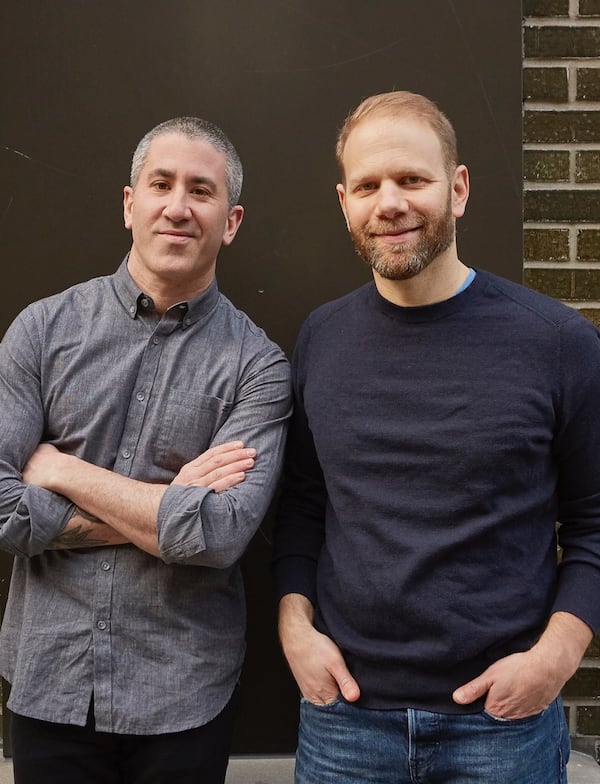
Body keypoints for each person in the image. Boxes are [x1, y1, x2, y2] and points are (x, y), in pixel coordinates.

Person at [272, 91, 600, 783]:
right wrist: (294, 628)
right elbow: (303, 506)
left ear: (458, 189)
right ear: (344, 203)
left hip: (500, 729)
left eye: (412, 180)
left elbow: (596, 521)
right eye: (367, 185)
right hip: (345, 726)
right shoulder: (321, 338)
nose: (388, 203)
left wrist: (555, 659)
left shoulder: (556, 342)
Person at [0, 116, 291, 783]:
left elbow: (217, 537)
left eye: (201, 190)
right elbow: (2, 511)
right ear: (130, 204)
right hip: (49, 683)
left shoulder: (258, 367)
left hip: (183, 695)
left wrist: (61, 470)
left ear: (232, 220)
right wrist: (164, 508)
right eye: (160, 184)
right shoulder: (42, 332)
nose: (178, 206)